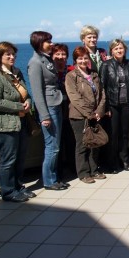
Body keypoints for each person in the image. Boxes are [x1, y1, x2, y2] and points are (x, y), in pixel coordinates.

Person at [0, 42, 35, 202]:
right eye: (8, 54)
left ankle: (18, 186)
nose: (12, 57)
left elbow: (26, 94)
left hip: (21, 122)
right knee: (8, 159)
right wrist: (19, 107)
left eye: (13, 54)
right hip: (5, 125)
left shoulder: (16, 72)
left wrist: (28, 103)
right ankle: (8, 191)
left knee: (20, 157)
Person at [28, 31, 66, 191]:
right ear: (39, 42)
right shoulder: (35, 62)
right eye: (48, 41)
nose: (51, 43)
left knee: (55, 144)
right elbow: (37, 92)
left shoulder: (46, 59)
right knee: (52, 145)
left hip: (55, 103)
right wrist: (44, 116)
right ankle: (49, 181)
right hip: (48, 108)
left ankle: (53, 176)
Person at [66, 47, 107, 183]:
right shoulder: (71, 76)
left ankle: (94, 170)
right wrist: (89, 114)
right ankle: (83, 173)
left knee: (95, 143)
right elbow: (75, 98)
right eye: (80, 58)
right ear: (75, 60)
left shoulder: (94, 74)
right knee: (83, 144)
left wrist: (99, 111)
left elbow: (102, 94)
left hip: (95, 114)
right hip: (79, 116)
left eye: (85, 58)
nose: (83, 60)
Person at [99, 39, 129, 172]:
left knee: (124, 134)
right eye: (116, 49)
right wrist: (105, 108)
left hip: (127, 104)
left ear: (125, 50)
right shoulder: (106, 65)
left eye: (121, 48)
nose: (119, 50)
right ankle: (112, 162)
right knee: (113, 134)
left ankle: (124, 159)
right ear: (111, 51)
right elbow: (102, 88)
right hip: (112, 105)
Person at [52, 43, 75, 177]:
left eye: (63, 54)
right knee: (56, 143)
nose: (61, 57)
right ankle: (57, 171)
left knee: (71, 140)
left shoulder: (71, 70)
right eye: (58, 54)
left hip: (70, 110)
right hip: (56, 110)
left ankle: (73, 168)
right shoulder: (50, 72)